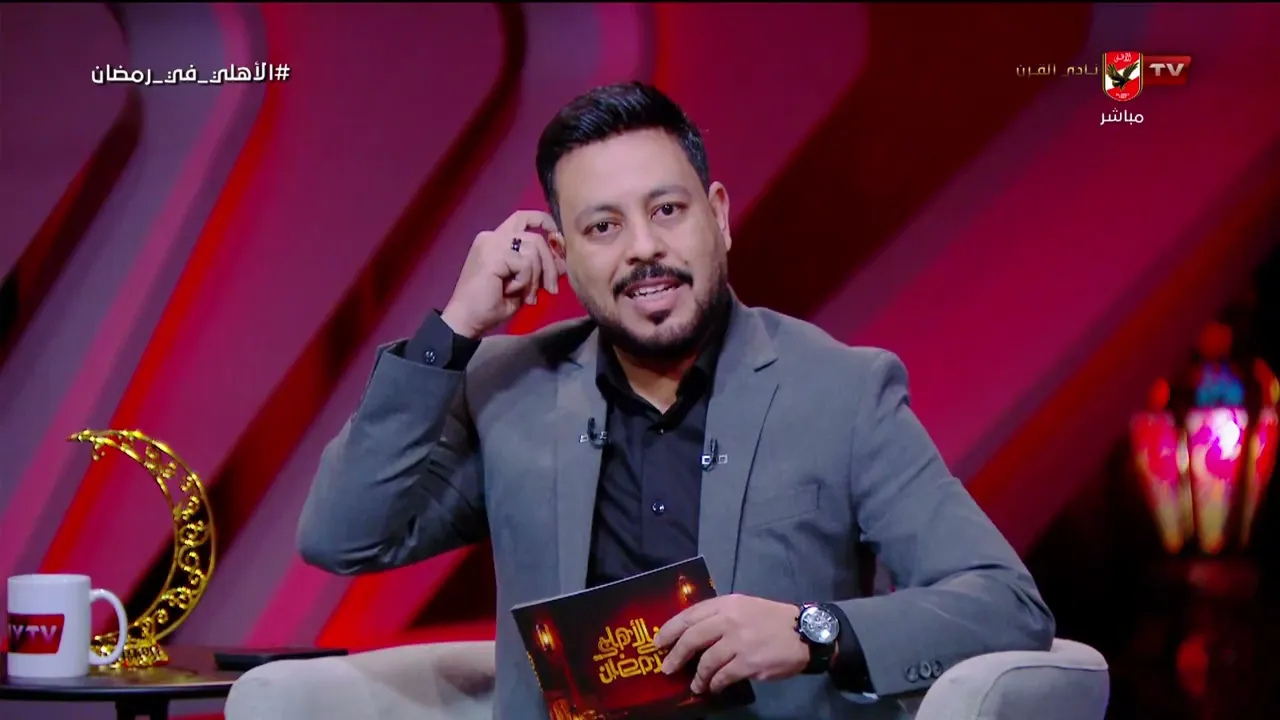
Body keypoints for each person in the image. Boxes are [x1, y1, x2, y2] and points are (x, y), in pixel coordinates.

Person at [298, 81, 1054, 719]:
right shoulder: (511, 391)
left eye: (667, 210)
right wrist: (457, 328)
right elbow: (343, 537)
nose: (643, 248)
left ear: (717, 215)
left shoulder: (842, 390)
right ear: (562, 251)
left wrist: (811, 631)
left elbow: (1005, 604)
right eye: (603, 226)